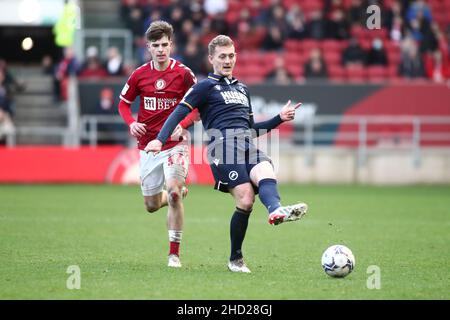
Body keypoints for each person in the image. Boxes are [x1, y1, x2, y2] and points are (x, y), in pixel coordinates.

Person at [145, 35, 308, 273]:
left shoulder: (243, 89)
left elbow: (252, 130)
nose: (228, 60)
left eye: (231, 55)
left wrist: (279, 119)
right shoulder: (203, 87)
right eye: (222, 56)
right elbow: (178, 114)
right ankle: (236, 259)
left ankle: (275, 210)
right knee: (245, 198)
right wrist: (160, 140)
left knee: (266, 170)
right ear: (211, 59)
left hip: (244, 143)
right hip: (221, 147)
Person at [117, 20, 200, 268]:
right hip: (148, 146)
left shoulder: (184, 74)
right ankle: (172, 194)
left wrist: (182, 124)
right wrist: (131, 123)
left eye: (165, 44)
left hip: (175, 145)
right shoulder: (139, 75)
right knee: (151, 205)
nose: (161, 49)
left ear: (171, 45)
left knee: (174, 193)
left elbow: (197, 107)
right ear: (148, 47)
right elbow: (123, 104)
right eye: (156, 45)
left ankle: (174, 254)